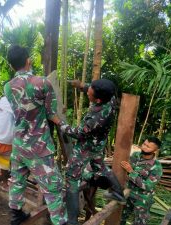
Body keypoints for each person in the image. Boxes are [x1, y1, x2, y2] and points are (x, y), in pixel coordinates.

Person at [4, 45, 67, 225]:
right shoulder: (42, 83)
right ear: (28, 60)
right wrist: (65, 126)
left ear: (11, 66)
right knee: (53, 187)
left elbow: (20, 110)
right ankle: (60, 221)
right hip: (39, 146)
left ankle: (16, 216)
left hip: (19, 144)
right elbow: (51, 114)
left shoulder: (7, 87)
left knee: (17, 179)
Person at [58, 79, 125, 225]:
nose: (88, 92)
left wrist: (60, 123)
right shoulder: (111, 98)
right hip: (98, 143)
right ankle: (118, 192)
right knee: (99, 166)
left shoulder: (97, 118)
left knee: (71, 177)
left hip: (86, 147)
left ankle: (72, 220)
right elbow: (96, 88)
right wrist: (82, 85)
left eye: (90, 92)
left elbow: (78, 133)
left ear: (99, 99)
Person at [120, 137, 163, 225]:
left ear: (155, 150)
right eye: (144, 144)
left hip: (142, 199)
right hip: (128, 193)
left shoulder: (156, 167)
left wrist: (131, 172)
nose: (144, 147)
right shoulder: (135, 155)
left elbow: (147, 186)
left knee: (139, 222)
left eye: (148, 147)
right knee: (120, 218)